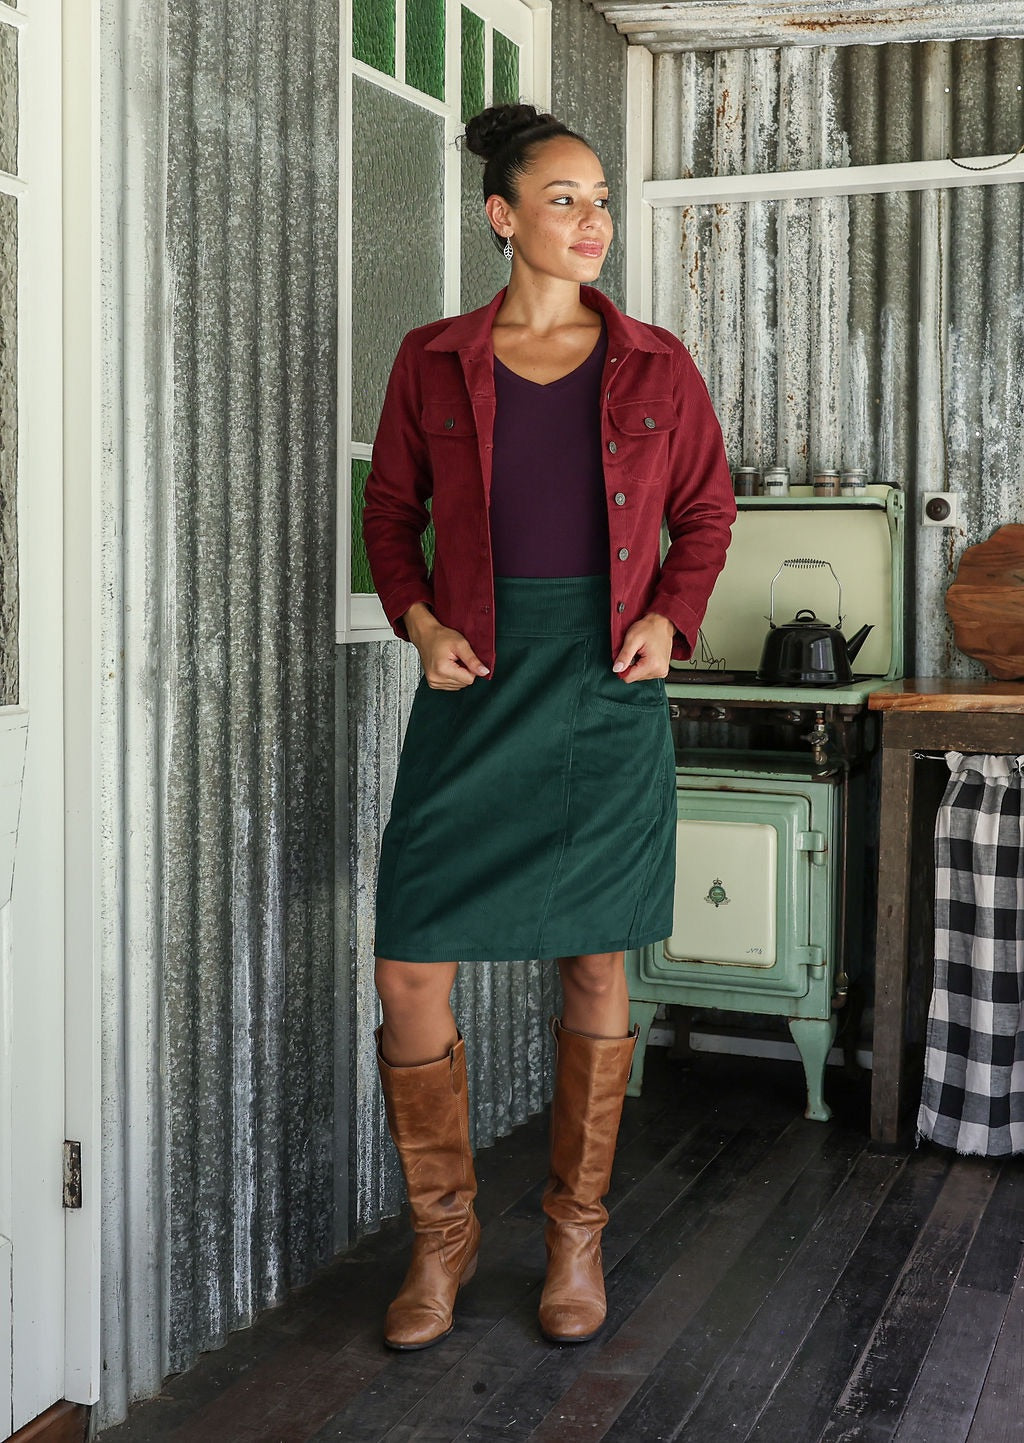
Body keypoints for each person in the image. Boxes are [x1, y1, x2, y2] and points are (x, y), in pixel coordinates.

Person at [362, 103, 735, 1352]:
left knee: (595, 961)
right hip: (474, 680)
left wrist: (670, 625)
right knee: (410, 962)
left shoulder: (657, 366)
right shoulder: (428, 361)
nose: (592, 221)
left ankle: (575, 1236)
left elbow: (705, 513)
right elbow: (390, 512)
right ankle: (445, 1237)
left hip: (603, 684)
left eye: (600, 200)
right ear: (501, 216)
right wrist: (416, 622)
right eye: (564, 198)